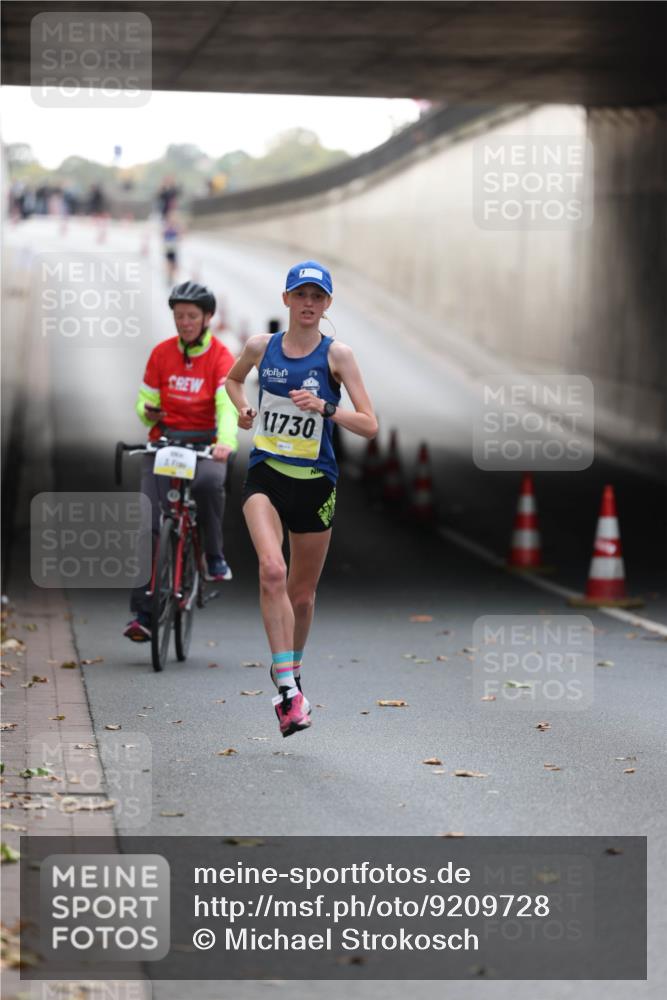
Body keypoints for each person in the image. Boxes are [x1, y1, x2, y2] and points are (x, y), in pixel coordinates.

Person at [225, 261, 378, 736]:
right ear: (286, 299)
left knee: (303, 596)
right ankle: (289, 691)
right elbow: (232, 380)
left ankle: (290, 668)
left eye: (317, 296)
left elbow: (370, 424)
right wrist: (244, 408)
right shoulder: (260, 348)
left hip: (316, 484)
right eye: (300, 295)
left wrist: (328, 408)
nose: (309, 304)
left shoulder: (339, 357)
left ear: (327, 304)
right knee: (272, 570)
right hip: (265, 476)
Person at [124, 281, 238, 642]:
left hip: (206, 445)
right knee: (150, 524)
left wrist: (225, 442)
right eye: (178, 316)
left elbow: (226, 405)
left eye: (191, 316)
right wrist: (148, 411)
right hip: (166, 442)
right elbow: (144, 402)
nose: (184, 322)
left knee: (207, 484)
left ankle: (213, 554)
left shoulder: (221, 357)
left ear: (207, 318)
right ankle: (143, 614)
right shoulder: (161, 354)